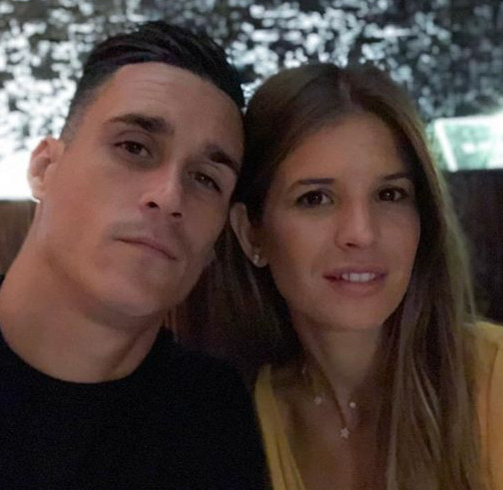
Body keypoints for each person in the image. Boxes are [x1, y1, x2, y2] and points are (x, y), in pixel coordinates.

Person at [0, 21, 267, 489]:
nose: (169, 196)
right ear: (45, 168)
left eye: (206, 179)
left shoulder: (210, 421)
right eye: (134, 148)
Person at [215, 62, 503, 490]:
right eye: (315, 198)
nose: (362, 233)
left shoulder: (493, 376)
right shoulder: (236, 424)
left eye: (389, 194)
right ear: (251, 233)